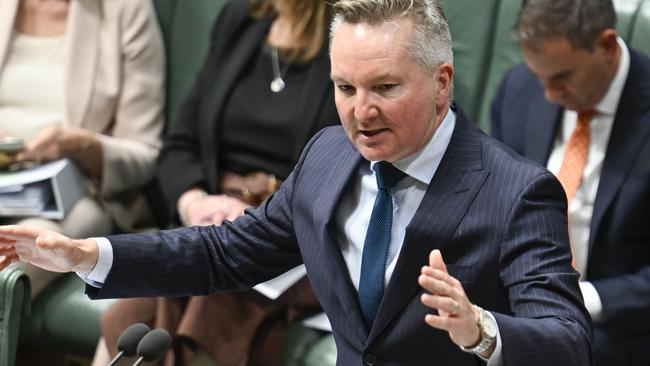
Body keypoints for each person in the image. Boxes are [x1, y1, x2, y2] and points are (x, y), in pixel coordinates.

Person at [0, 1, 592, 365]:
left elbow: (568, 343)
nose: (360, 112)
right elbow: (226, 252)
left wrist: (481, 331)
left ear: (442, 83)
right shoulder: (330, 155)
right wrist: (86, 253)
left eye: (385, 88)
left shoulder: (518, 192)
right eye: (344, 88)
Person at [93, 1, 340, 365]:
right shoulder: (240, 19)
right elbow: (181, 144)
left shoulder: (349, 34)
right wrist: (194, 202)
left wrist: (263, 218)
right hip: (211, 220)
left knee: (211, 298)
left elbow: (351, 166)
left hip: (294, 234)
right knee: (130, 314)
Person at [491, 1, 650, 365]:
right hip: (514, 301)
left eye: (562, 77)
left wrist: (581, 298)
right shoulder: (519, 90)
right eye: (540, 77)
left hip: (615, 325)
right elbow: (491, 203)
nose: (549, 95)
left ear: (607, 46)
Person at [0, 0, 164, 296]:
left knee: (9, 260)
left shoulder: (125, 10)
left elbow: (144, 154)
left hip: (71, 195)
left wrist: (77, 144)